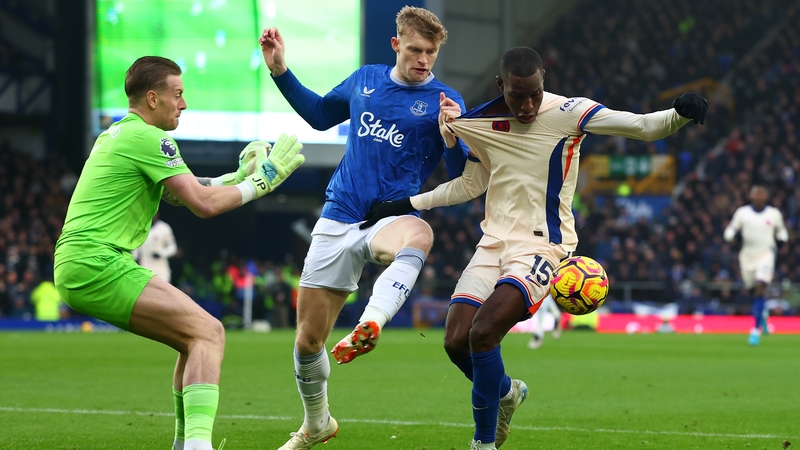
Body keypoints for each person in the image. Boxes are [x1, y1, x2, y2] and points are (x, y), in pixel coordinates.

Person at [359, 47, 708, 449]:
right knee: (456, 341)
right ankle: (506, 392)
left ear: (544, 81)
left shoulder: (570, 112)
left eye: (535, 94)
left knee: (485, 333)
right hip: (492, 244)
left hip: (543, 247)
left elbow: (644, 127)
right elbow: (470, 184)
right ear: (500, 85)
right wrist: (406, 202)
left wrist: (678, 114)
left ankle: (483, 443)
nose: (527, 105)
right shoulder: (482, 122)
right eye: (517, 96)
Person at [53, 56, 305, 450]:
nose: (184, 104)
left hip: (82, 261)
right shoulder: (151, 139)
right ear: (153, 98)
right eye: (178, 94)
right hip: (97, 261)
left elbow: (183, 189)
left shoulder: (120, 135)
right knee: (209, 332)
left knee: (193, 339)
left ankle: (184, 444)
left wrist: (237, 178)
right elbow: (203, 204)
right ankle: (196, 447)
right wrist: (262, 181)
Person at [258, 6, 470, 448]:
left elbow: (460, 172)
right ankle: (317, 425)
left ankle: (371, 323)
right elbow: (318, 115)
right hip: (338, 216)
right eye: (415, 49)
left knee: (420, 234)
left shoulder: (445, 101)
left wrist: (452, 137)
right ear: (397, 44)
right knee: (307, 342)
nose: (423, 60)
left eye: (431, 52)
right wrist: (280, 71)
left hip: (389, 215)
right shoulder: (365, 79)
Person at [723, 185, 788, 346]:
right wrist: (732, 236)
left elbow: (782, 232)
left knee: (761, 286)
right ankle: (762, 315)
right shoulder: (742, 213)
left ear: (766, 197)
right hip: (747, 257)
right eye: (756, 195)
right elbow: (730, 231)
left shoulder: (774, 214)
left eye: (761, 195)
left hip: (766, 255)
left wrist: (781, 242)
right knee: (753, 292)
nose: (758, 197)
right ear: (751, 197)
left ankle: (754, 330)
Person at [132, 213, 178, 283]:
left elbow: (173, 248)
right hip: (144, 269)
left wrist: (161, 253)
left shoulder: (164, 228)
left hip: (161, 270)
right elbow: (134, 248)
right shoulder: (139, 229)